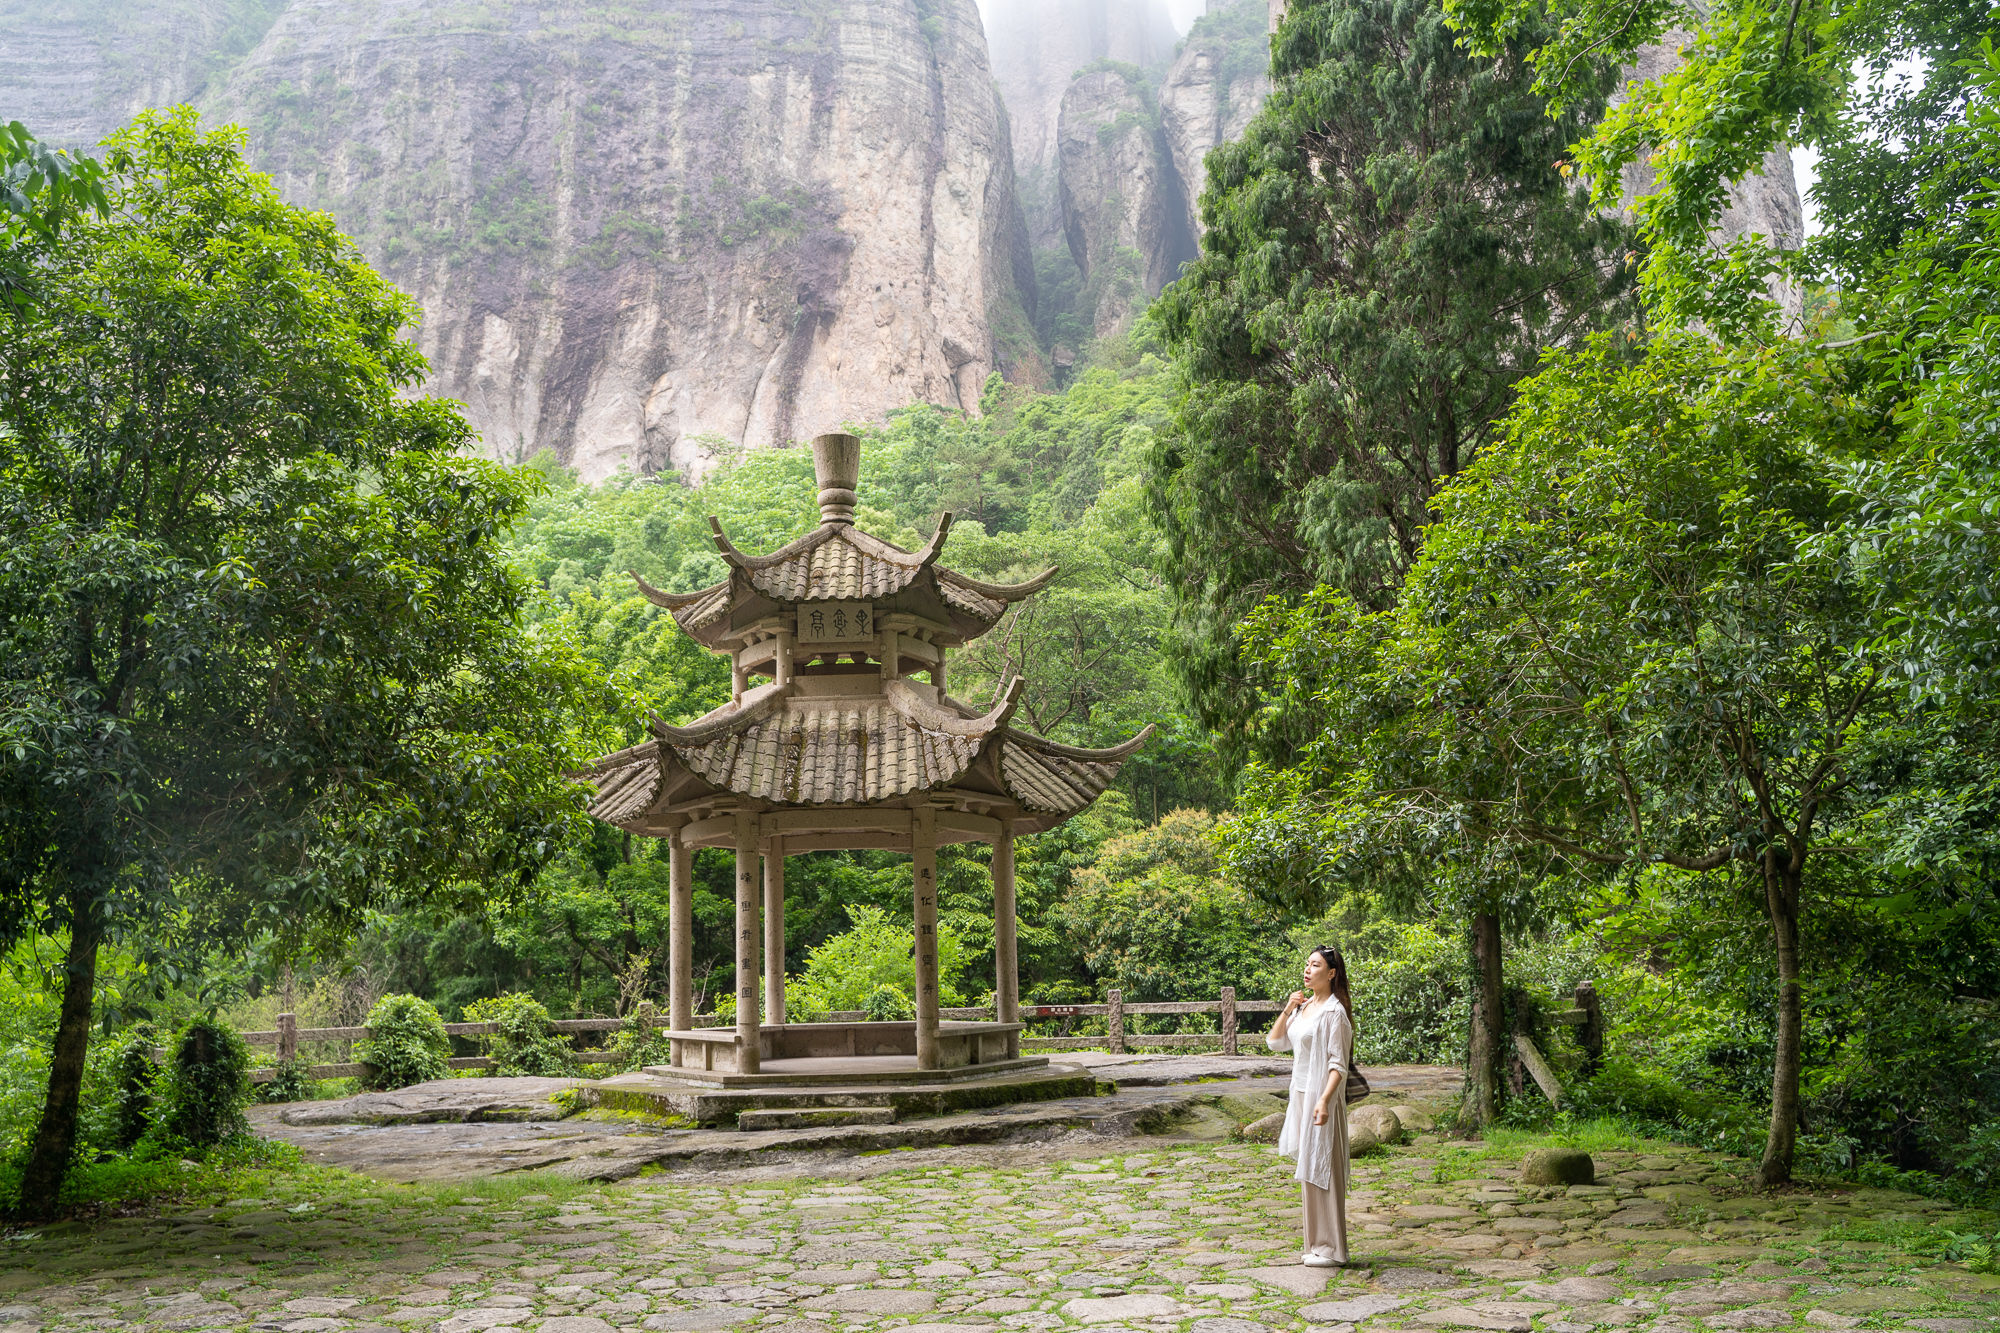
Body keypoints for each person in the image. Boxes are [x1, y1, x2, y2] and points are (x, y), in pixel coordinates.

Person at [1266, 944, 1354, 1267]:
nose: (1308, 969)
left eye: (1315, 965)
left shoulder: (1335, 1013)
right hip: (1301, 1095)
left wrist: (1325, 1100)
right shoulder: (1303, 1010)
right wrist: (1289, 1007)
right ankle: (1316, 1244)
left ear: (1331, 974)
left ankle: (1333, 1249)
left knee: (1324, 1170)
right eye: (1307, 964)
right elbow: (1275, 1042)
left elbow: (1337, 1065)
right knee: (1308, 1170)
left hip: (1321, 1097)